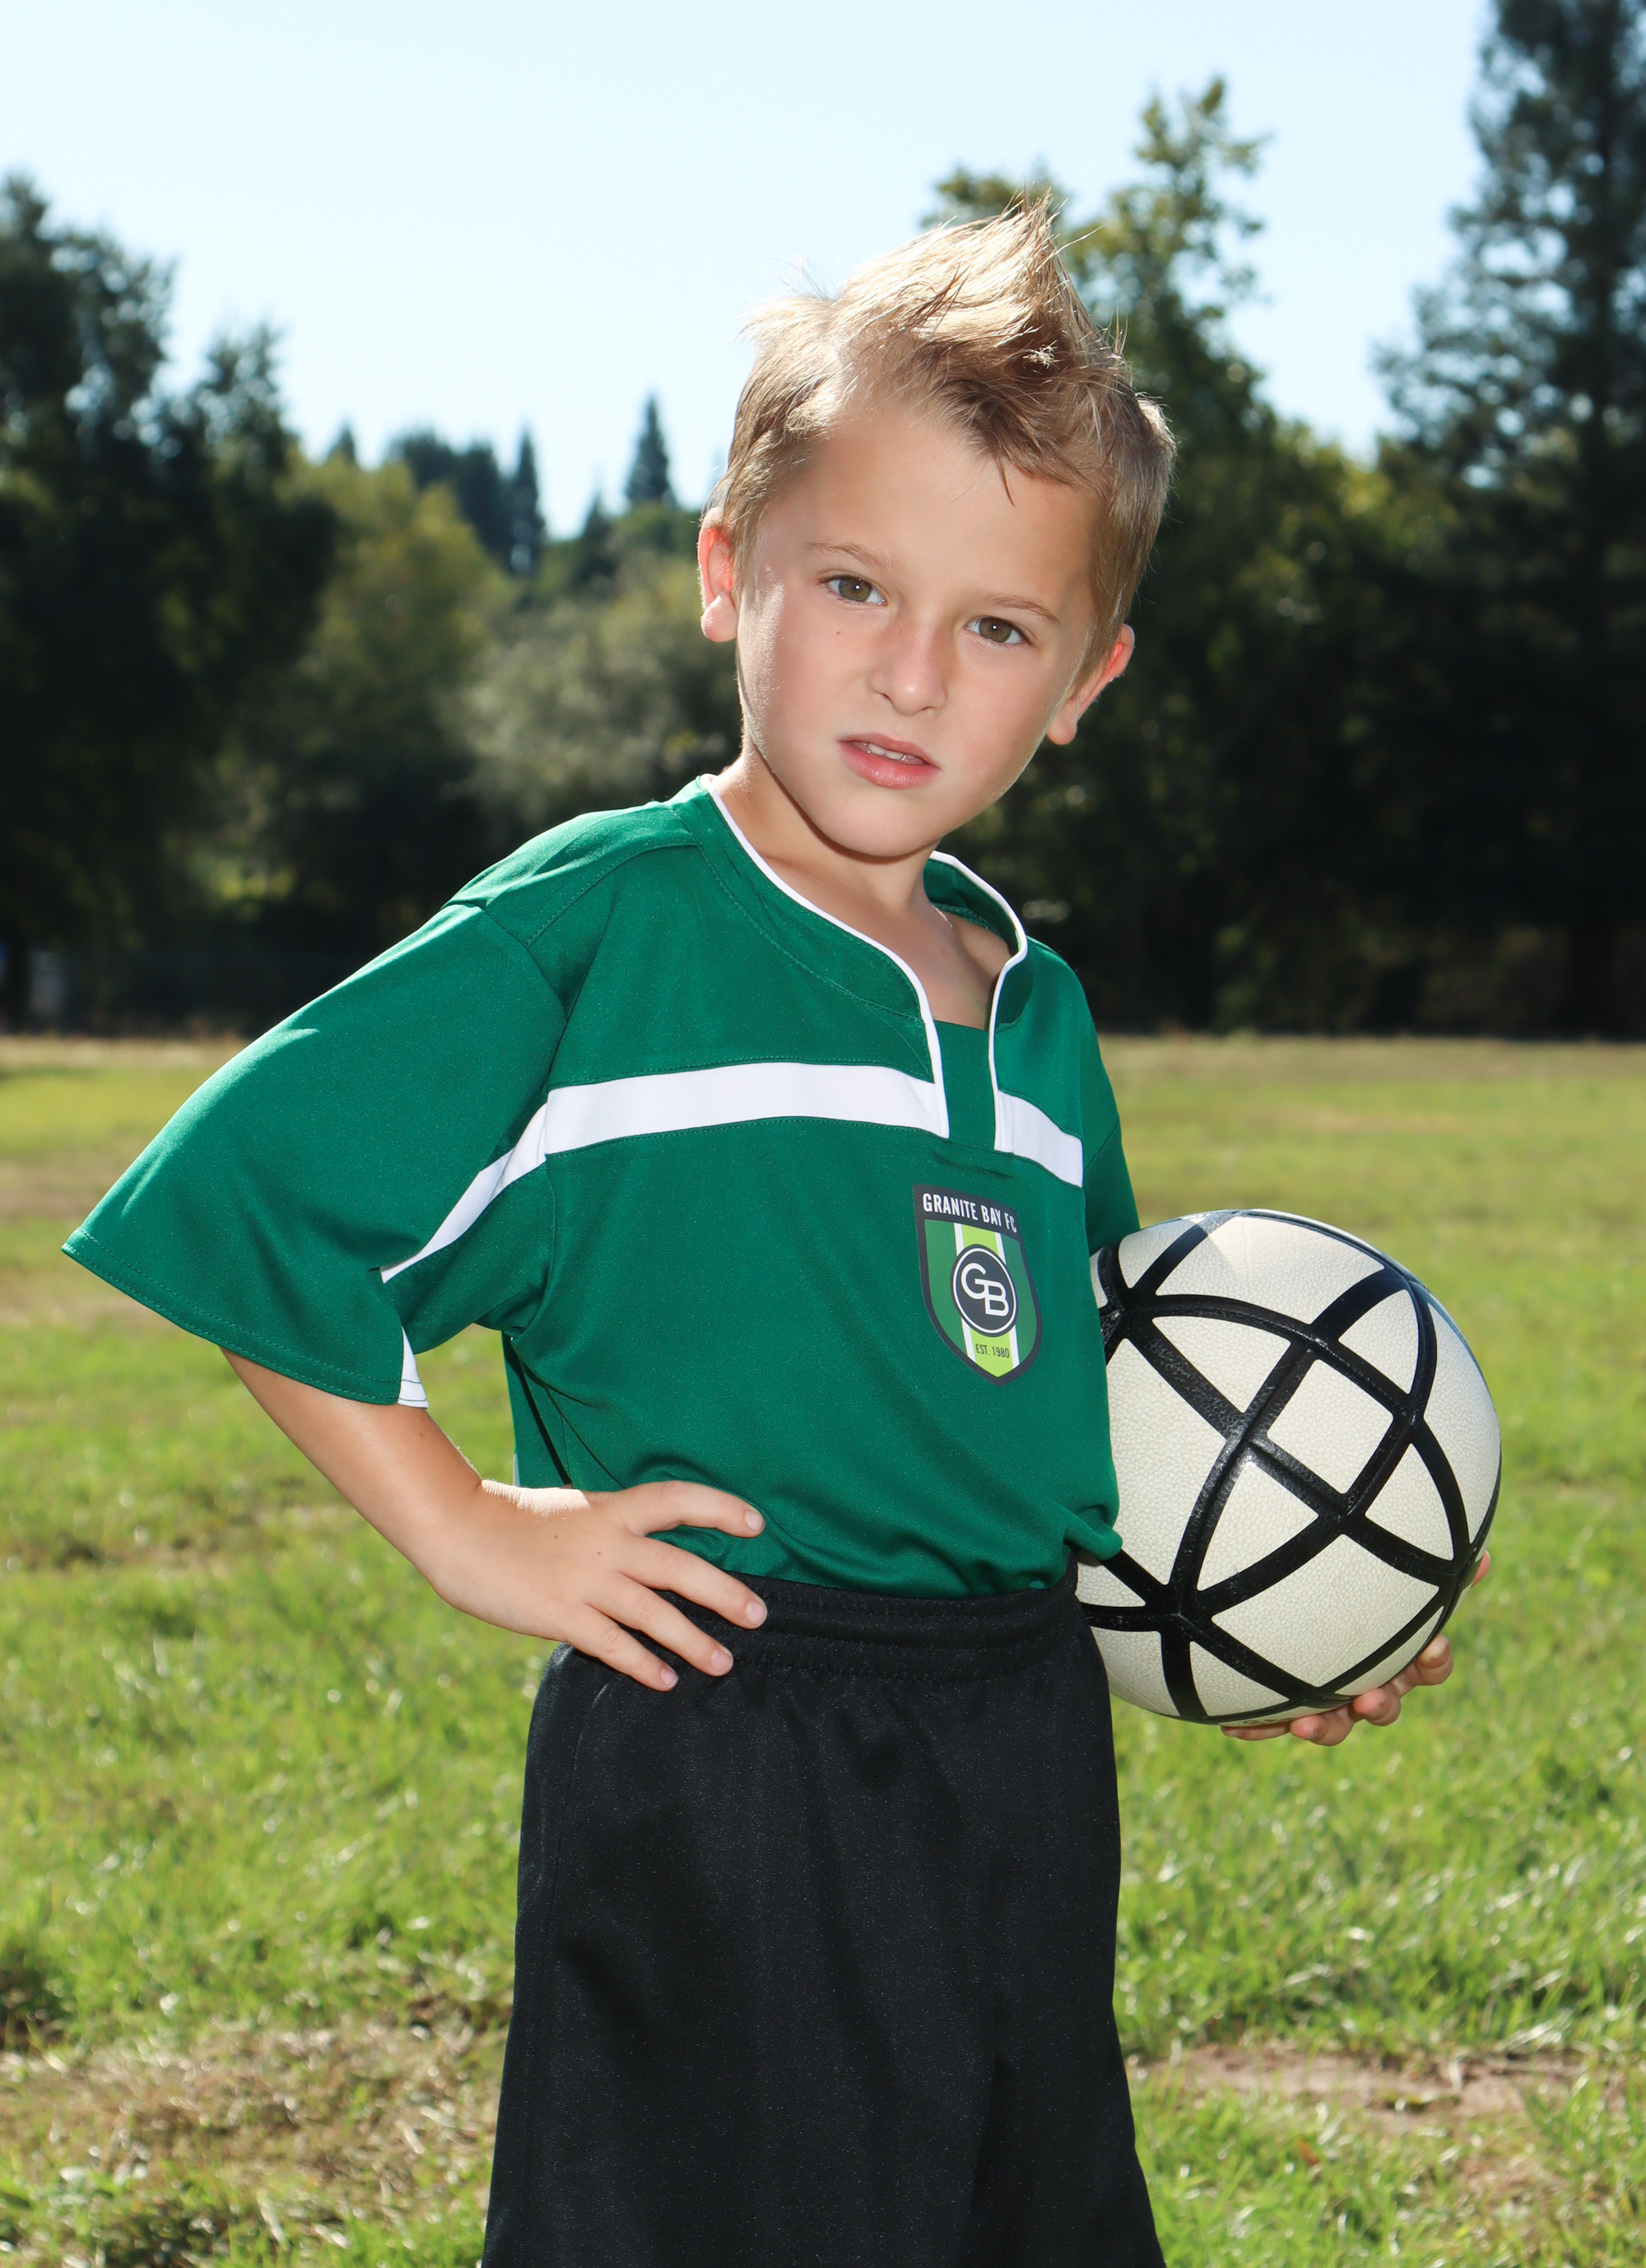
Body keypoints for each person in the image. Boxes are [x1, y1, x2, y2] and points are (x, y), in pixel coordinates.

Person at [65, 207, 1469, 2266]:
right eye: (855, 584)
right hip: (726, 1733)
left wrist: (1260, 1609)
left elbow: (1066, 1409)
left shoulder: (1038, 1012)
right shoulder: (602, 933)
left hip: (1019, 1739)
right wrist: (468, 1525)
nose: (913, 669)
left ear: (1084, 680)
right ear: (730, 569)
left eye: (1000, 627)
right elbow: (250, 1195)